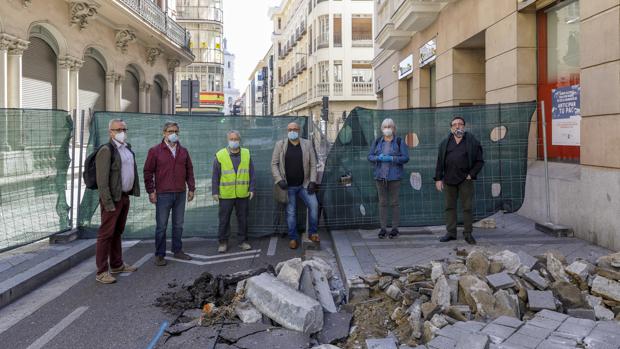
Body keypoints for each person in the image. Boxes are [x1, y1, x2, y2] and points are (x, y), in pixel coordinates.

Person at [94, 119, 140, 284]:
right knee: (105, 235)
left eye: (124, 129)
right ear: (110, 132)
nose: (122, 132)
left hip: (124, 197)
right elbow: (102, 180)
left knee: (117, 232)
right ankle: (101, 271)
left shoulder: (127, 149)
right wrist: (107, 202)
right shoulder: (106, 151)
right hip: (112, 199)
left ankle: (117, 264)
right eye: (118, 129)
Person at [144, 121, 195, 266]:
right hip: (163, 194)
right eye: (171, 131)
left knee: (178, 224)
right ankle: (160, 254)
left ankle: (177, 250)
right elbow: (148, 172)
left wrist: (191, 188)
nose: (174, 134)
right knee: (161, 226)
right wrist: (151, 191)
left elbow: (189, 171)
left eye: (176, 132)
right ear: (164, 133)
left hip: (180, 193)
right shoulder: (155, 151)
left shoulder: (183, 151)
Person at [434, 116, 484, 245]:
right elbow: (440, 162)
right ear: (451, 128)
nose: (457, 126)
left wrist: (471, 174)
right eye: (454, 124)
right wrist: (438, 179)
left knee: (467, 207)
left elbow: (479, 161)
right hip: (449, 180)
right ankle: (451, 233)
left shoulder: (472, 142)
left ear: (464, 127)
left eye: (460, 124)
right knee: (449, 207)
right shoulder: (444, 143)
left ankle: (468, 233)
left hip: (465, 180)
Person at [271, 122, 318, 249]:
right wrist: (279, 179)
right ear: (287, 131)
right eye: (290, 129)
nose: (292, 131)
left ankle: (313, 232)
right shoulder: (280, 145)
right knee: (291, 212)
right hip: (288, 186)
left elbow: (313, 164)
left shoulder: (307, 144)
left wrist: (313, 181)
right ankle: (293, 238)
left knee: (314, 205)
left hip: (305, 184)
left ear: (299, 130)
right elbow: (274, 164)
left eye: (295, 129)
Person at [212, 130, 256, 253]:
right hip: (226, 193)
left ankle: (243, 241)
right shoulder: (220, 155)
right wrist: (215, 191)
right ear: (228, 140)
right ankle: (223, 242)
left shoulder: (246, 153)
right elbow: (215, 175)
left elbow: (252, 173)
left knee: (243, 219)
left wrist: (252, 188)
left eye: (235, 139)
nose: (233, 141)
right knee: (224, 219)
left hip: (243, 193)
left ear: (239, 140)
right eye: (231, 139)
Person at [367, 118, 410, 239]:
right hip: (380, 177)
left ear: (394, 128)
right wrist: (378, 158)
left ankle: (395, 228)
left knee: (394, 203)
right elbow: (370, 156)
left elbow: (406, 158)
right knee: (382, 203)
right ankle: (383, 228)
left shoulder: (399, 141)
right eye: (385, 127)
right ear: (381, 129)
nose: (387, 129)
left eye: (389, 126)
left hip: (394, 177)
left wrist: (392, 159)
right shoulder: (377, 142)